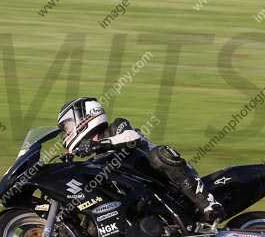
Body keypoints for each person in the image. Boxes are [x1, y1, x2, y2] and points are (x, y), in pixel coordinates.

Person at [57, 97, 225, 228]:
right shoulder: (96, 159)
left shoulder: (117, 127)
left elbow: (132, 138)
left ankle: (208, 205)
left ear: (85, 116)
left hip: (166, 180)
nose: (66, 133)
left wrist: (98, 144)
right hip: (145, 200)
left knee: (160, 154)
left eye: (67, 126)